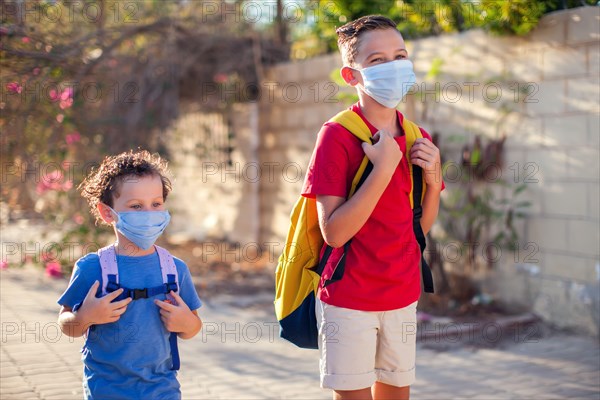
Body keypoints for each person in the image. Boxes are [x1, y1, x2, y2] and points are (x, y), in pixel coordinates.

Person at [301, 15, 443, 400]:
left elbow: (420, 228)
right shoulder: (337, 136)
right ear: (352, 76)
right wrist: (382, 166)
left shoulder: (417, 136)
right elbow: (334, 231)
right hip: (350, 298)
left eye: (400, 56)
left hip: (402, 292)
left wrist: (433, 181)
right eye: (378, 61)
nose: (394, 67)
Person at [57, 150, 202, 399]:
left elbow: (193, 327)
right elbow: (66, 325)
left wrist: (186, 323)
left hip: (163, 389)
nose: (148, 214)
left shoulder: (175, 269)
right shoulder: (92, 268)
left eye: (156, 204)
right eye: (136, 206)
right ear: (107, 213)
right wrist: (86, 316)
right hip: (106, 390)